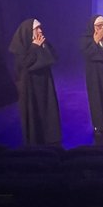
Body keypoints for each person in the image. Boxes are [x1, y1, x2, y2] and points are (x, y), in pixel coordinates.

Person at [8, 18, 62, 147]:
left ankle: (50, 136)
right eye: (36, 29)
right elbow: (24, 64)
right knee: (34, 111)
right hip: (29, 85)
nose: (40, 31)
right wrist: (34, 47)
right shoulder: (22, 47)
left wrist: (42, 46)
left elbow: (53, 57)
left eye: (40, 28)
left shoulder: (43, 42)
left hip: (45, 82)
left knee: (48, 108)